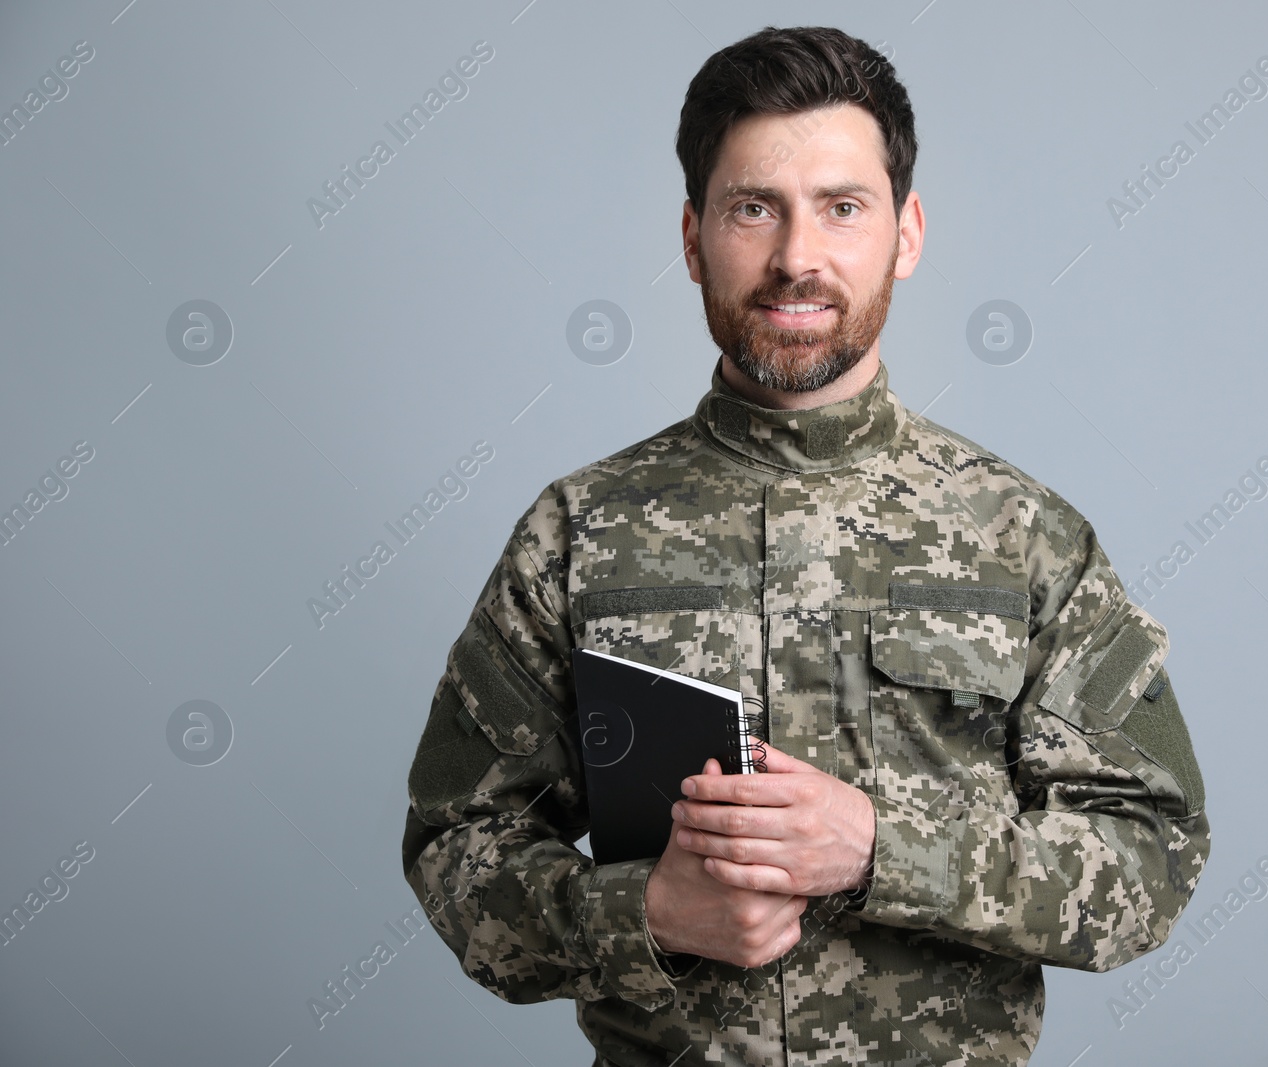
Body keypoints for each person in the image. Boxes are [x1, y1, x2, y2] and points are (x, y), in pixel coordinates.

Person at [401, 24, 1210, 1066]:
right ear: (693, 238)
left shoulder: (1024, 536)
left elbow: (1151, 855)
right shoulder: (578, 531)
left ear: (905, 233)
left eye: (841, 206)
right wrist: (641, 910)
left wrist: (881, 848)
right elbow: (456, 843)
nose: (796, 256)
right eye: (753, 208)